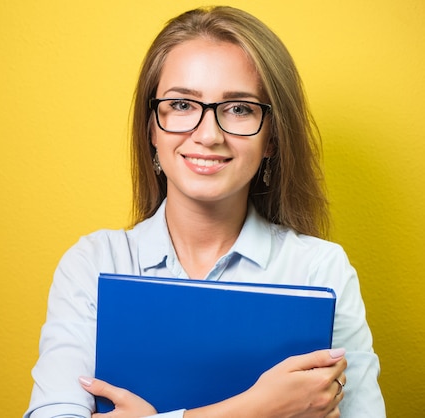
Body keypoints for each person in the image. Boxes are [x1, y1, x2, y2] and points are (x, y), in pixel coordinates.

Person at [25, 6, 385, 418]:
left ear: (272, 138)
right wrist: (258, 409)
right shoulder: (93, 264)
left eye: (239, 108)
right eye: (181, 105)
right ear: (151, 129)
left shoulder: (321, 270)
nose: (208, 135)